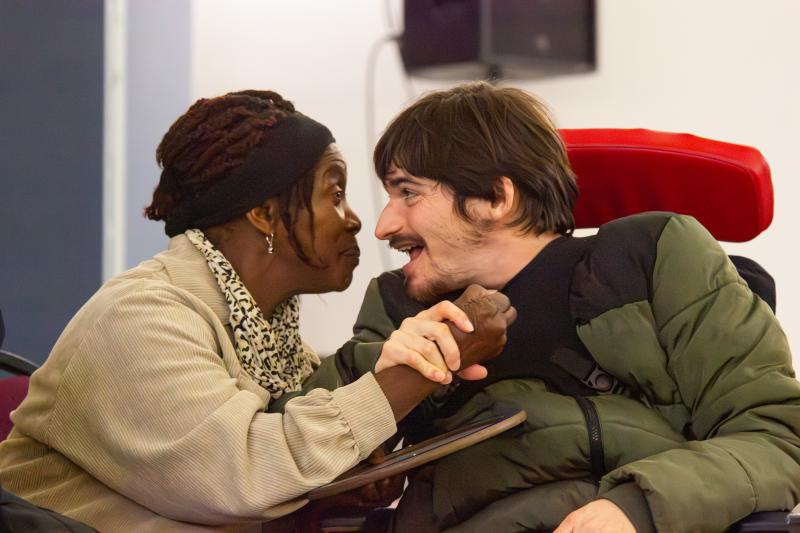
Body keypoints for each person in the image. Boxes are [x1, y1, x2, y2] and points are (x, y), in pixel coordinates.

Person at [0, 90, 515, 532]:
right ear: (264, 215)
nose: (358, 220)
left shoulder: (274, 343)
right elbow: (240, 474)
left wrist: (341, 476)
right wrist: (430, 361)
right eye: (335, 194)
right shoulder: (140, 317)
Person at [301, 82, 800, 532]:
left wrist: (636, 508)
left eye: (408, 192)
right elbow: (290, 460)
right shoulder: (397, 308)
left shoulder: (653, 258)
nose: (384, 226)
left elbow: (776, 435)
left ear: (496, 198)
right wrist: (387, 382)